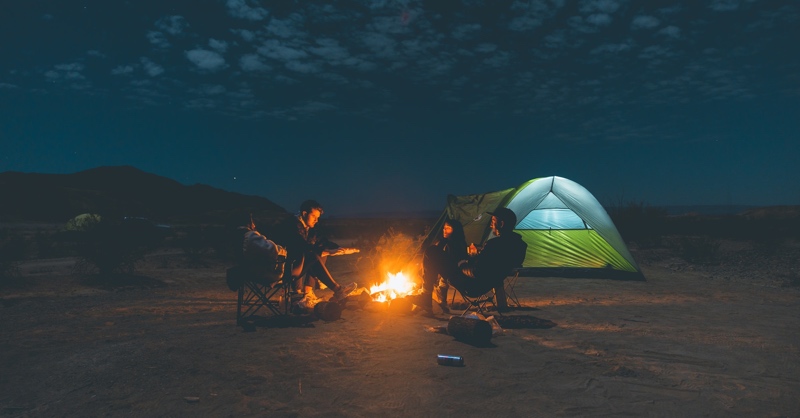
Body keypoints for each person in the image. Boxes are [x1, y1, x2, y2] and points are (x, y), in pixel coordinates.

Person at [416, 207, 527, 314]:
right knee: (441, 256)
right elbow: (494, 265)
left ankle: (425, 297)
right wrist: (477, 256)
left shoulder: (494, 245)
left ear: (501, 224)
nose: (491, 225)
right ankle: (433, 299)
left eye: (493, 221)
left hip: (470, 285)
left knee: (431, 252)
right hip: (486, 283)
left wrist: (462, 264)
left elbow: (476, 271)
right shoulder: (520, 246)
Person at [269, 200, 359, 303]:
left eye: (318, 218)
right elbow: (302, 246)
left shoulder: (309, 227)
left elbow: (322, 242)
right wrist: (328, 252)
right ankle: (337, 290)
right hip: (283, 267)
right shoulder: (291, 225)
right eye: (314, 217)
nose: (316, 220)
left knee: (320, 253)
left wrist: (340, 249)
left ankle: (308, 292)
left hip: (295, 264)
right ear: (304, 213)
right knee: (313, 255)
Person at [421, 218, 467, 314]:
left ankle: (429, 297)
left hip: (454, 275)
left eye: (448, 228)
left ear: (455, 230)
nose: (444, 230)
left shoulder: (455, 244)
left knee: (430, 252)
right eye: (444, 228)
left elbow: (452, 263)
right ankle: (435, 300)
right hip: (447, 274)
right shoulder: (443, 242)